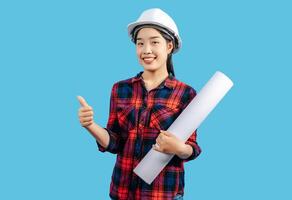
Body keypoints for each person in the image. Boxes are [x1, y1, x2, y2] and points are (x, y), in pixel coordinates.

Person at [77, 8, 201, 200]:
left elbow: (192, 148)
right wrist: (90, 126)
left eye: (154, 42)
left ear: (169, 46)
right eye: (140, 43)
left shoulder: (186, 93)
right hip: (121, 191)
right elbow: (115, 142)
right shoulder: (120, 89)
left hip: (162, 194)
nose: (146, 50)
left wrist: (179, 148)